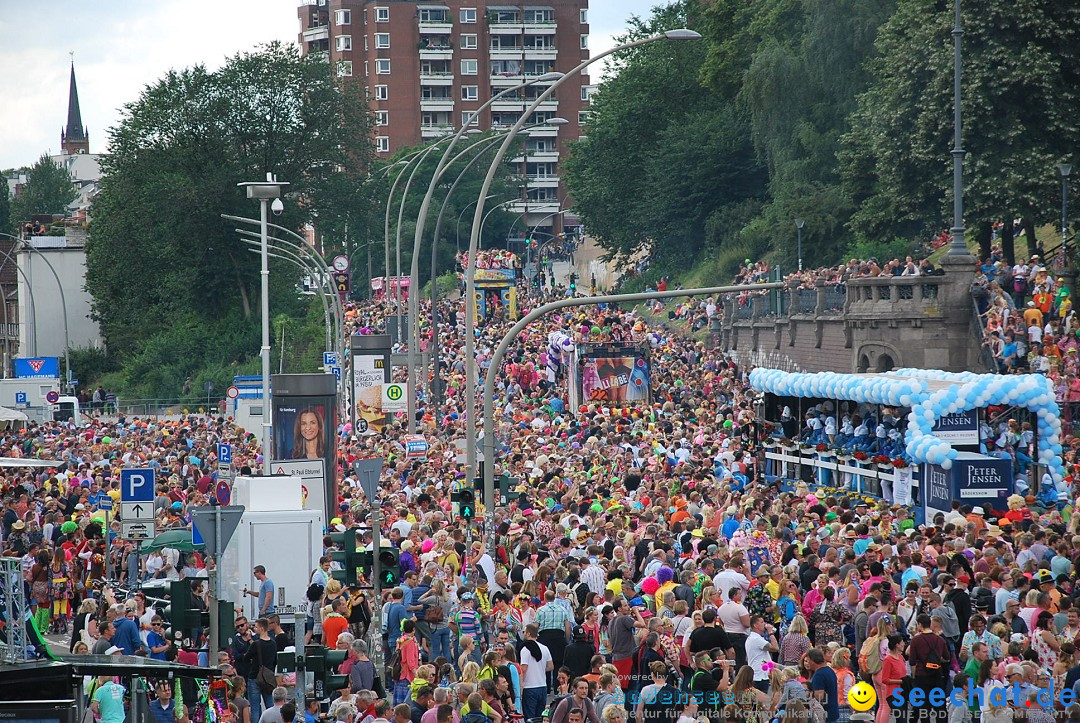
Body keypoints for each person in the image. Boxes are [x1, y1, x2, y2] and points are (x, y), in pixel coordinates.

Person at [518, 624, 553, 720]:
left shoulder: (525, 649)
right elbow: (550, 666)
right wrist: (541, 668)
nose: (523, 634)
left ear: (528, 633)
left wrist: (521, 685)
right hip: (542, 686)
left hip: (529, 687)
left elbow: (523, 669)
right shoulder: (545, 648)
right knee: (539, 717)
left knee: (530, 717)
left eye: (524, 632)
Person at [805, 648, 839, 723]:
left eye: (808, 660)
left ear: (812, 661)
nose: (807, 663)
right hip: (833, 712)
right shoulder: (829, 670)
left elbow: (819, 697)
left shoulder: (819, 675)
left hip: (825, 716)